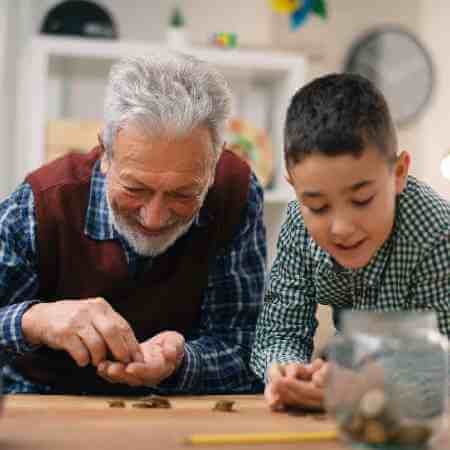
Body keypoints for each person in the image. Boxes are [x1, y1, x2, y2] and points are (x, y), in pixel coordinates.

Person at [0, 52, 267, 395]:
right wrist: (33, 321)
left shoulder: (236, 193)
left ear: (213, 164)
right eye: (135, 189)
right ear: (106, 154)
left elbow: (246, 347)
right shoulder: (41, 204)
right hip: (42, 401)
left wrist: (181, 363)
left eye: (184, 194)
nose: (154, 218)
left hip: (181, 411)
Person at [250, 73, 450, 411]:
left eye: (362, 200)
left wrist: (368, 386)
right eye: (317, 205)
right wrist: (285, 371)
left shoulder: (435, 232)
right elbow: (278, 331)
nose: (341, 228)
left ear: (398, 173)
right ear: (293, 186)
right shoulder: (297, 223)